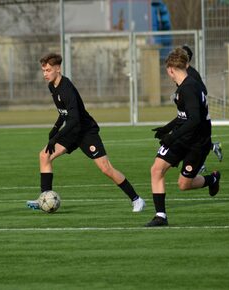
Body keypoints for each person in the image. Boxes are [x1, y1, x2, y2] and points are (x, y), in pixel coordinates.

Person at [26, 53, 145, 212]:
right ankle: (44, 198)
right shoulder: (52, 86)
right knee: (44, 155)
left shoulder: (66, 89)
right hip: (72, 130)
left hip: (85, 131)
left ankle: (136, 199)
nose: (44, 74)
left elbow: (75, 119)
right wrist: (54, 129)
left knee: (105, 168)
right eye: (43, 70)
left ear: (58, 69)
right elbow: (64, 113)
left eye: (48, 70)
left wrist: (57, 137)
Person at [146, 47, 221, 227]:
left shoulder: (189, 88)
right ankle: (160, 216)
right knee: (156, 170)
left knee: (184, 184)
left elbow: (195, 120)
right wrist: (167, 129)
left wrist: (172, 137)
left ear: (171, 69)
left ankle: (212, 179)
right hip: (182, 137)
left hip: (197, 142)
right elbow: (184, 116)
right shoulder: (185, 85)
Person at [182, 45, 223, 164]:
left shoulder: (191, 74)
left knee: (190, 137)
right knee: (193, 138)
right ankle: (213, 148)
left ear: (186, 58)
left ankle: (199, 164)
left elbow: (203, 91)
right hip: (188, 109)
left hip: (196, 110)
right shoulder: (183, 72)